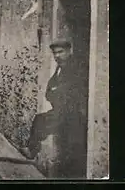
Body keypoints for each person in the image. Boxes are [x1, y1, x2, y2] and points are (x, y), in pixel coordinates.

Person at [20, 38, 88, 178]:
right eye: (55, 53)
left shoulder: (75, 67)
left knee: (73, 149)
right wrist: (55, 92)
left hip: (73, 113)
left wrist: (56, 92)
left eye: (61, 52)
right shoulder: (60, 67)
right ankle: (32, 149)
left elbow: (69, 91)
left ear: (70, 51)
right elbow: (50, 90)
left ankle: (33, 150)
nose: (57, 56)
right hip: (62, 111)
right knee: (40, 120)